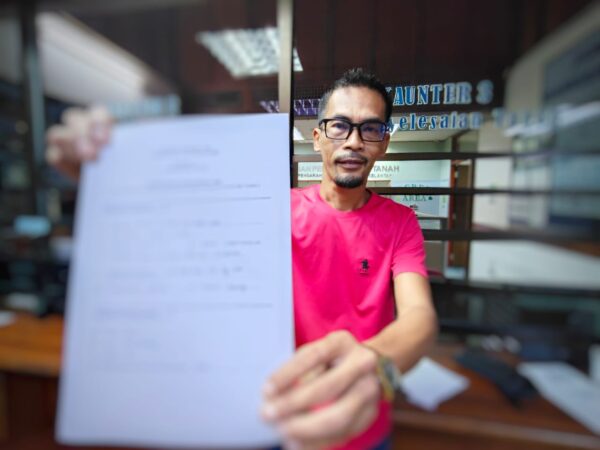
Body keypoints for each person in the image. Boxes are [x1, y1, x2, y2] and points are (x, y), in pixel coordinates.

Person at [46, 68, 437, 450]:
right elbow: (179, 235)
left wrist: (376, 366)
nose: (353, 141)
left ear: (384, 143)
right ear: (317, 137)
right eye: (339, 126)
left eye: (370, 129)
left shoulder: (400, 222)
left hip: (365, 426)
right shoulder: (274, 208)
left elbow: (419, 316)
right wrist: (113, 176)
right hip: (274, 415)